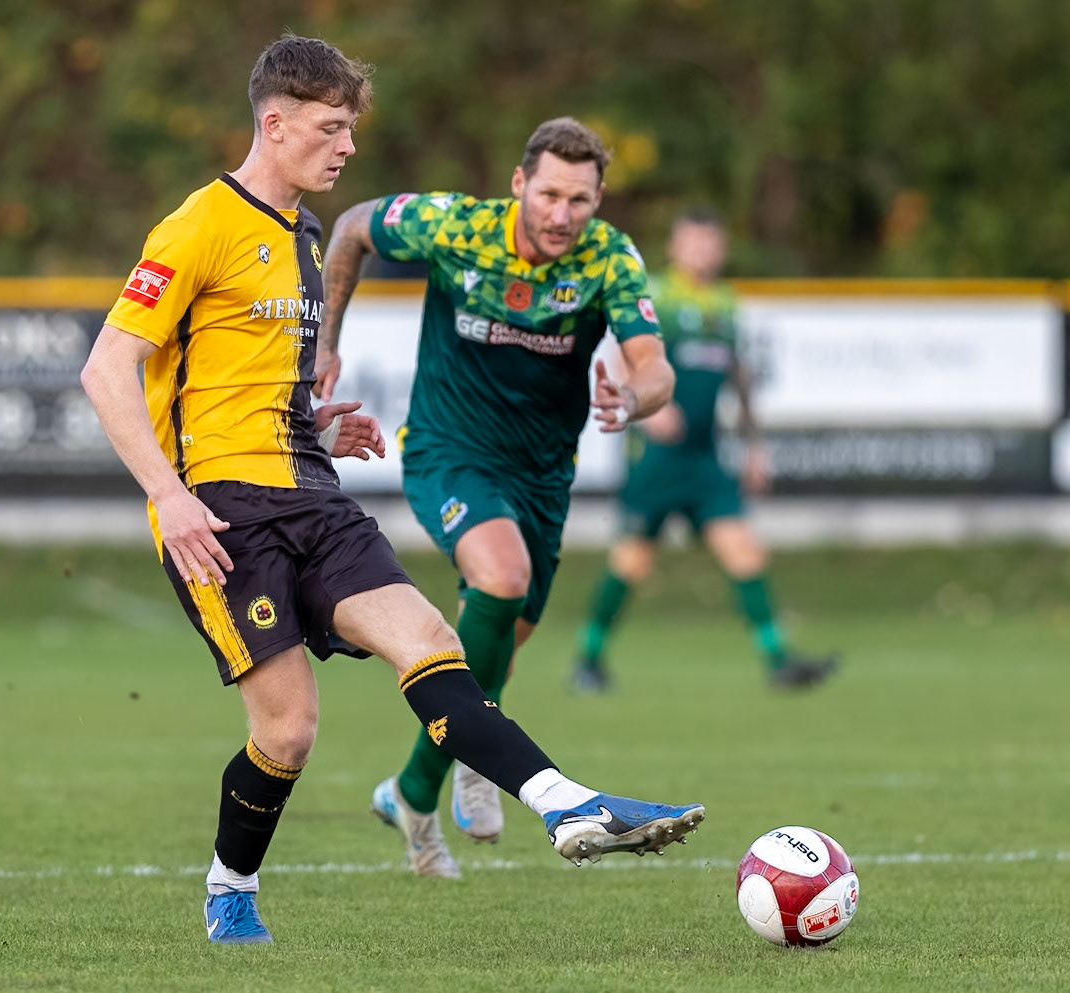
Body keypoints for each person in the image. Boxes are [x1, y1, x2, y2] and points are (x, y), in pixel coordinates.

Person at [79, 37, 704, 944]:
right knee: (289, 731)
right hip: (222, 511)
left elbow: (242, 385)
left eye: (350, 129)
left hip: (313, 492)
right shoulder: (198, 224)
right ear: (274, 123)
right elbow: (107, 369)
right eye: (330, 128)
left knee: (434, 641)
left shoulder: (301, 235)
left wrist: (315, 427)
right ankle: (231, 885)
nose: (347, 147)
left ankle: (566, 803)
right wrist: (169, 496)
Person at [316, 117, 679, 876]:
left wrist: (633, 397)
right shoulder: (456, 226)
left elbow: (654, 366)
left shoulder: (609, 257)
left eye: (579, 200)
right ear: (519, 185)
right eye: (548, 194)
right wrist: (325, 338)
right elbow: (350, 228)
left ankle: (414, 791)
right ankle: (487, 760)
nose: (561, 214)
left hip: (542, 476)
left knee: (503, 636)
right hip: (448, 451)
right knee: (503, 578)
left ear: (598, 201)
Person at [573, 209, 838, 692]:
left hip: (704, 457)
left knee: (744, 551)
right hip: (655, 461)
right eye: (693, 242)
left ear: (722, 249)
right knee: (632, 562)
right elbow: (617, 356)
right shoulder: (657, 295)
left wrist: (755, 447)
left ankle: (778, 660)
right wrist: (646, 410)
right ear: (674, 247)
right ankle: (587, 659)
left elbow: (740, 380)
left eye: (711, 243)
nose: (703, 251)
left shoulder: (725, 304)